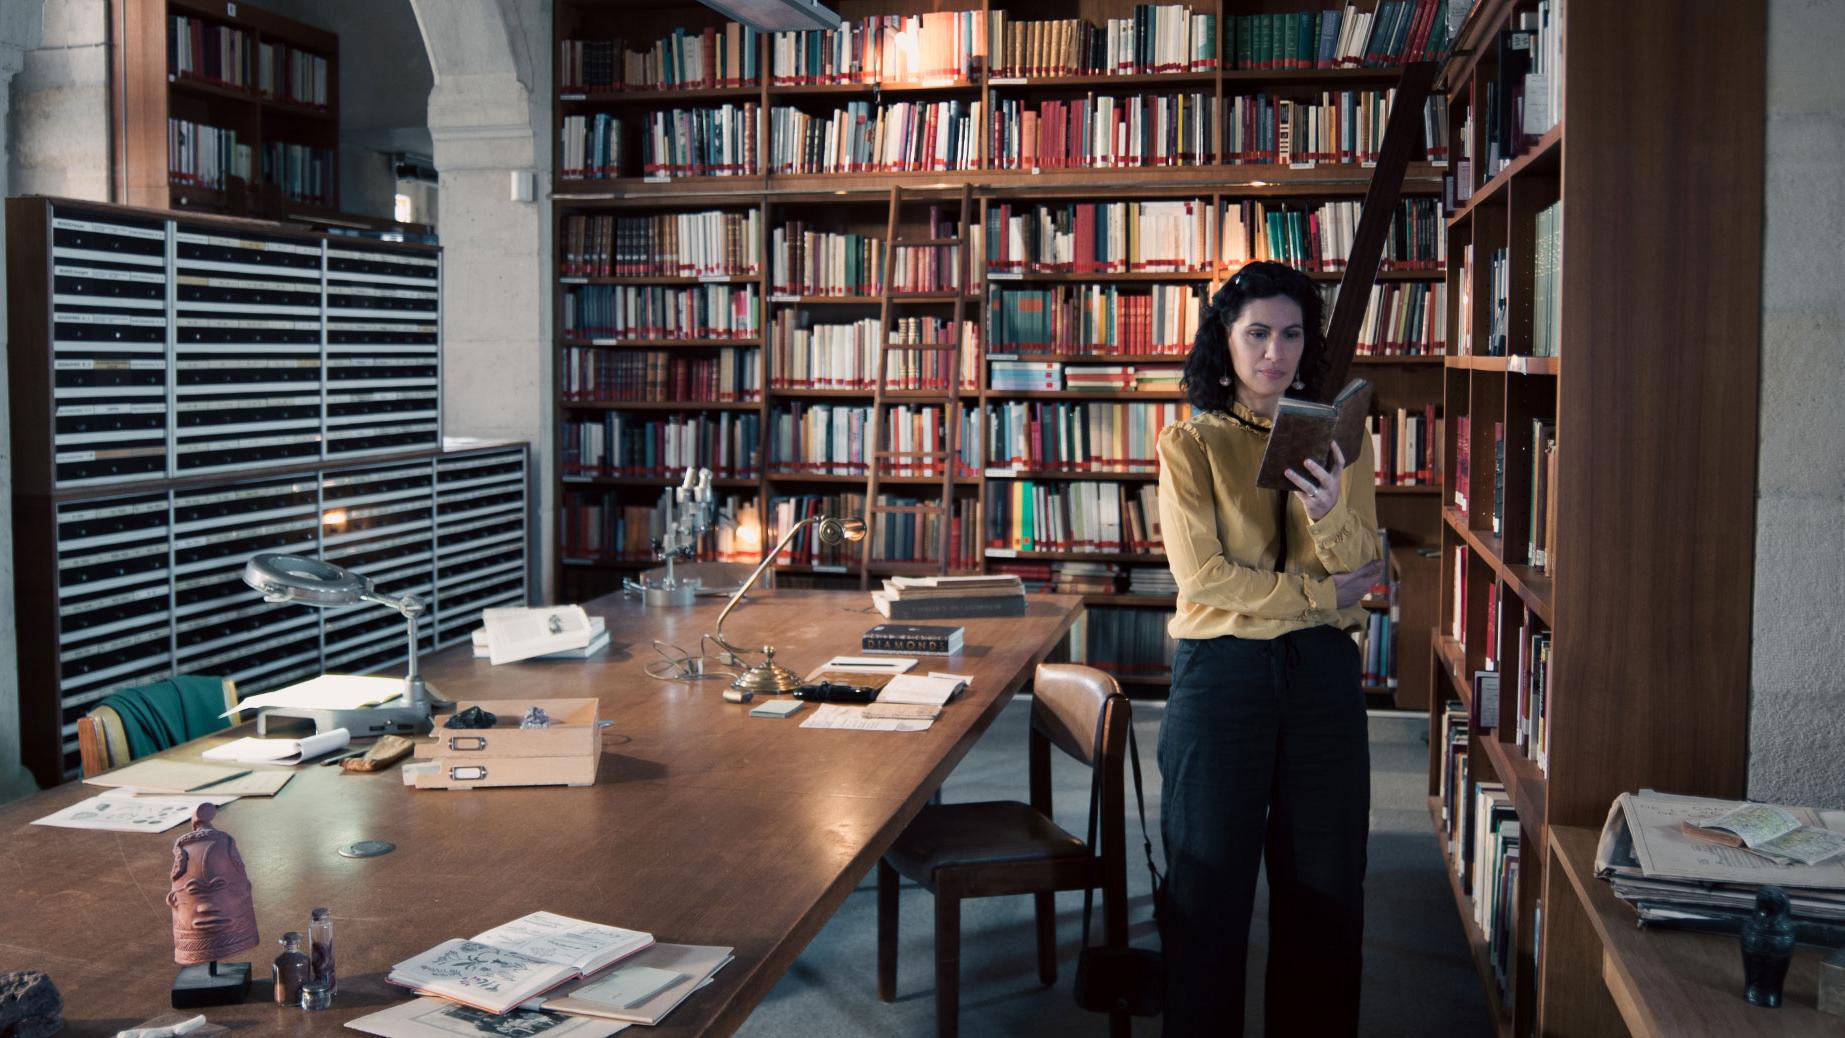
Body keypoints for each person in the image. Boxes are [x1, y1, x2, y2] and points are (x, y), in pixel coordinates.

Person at [1155, 261, 1384, 1035]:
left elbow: (1363, 564)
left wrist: (1326, 511)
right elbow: (1207, 578)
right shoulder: (1189, 442)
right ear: (1225, 339)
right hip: (1221, 676)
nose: (1273, 353)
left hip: (1320, 676)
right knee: (1206, 888)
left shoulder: (1343, 438)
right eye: (1256, 333)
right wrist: (1321, 595)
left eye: (1290, 334)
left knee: (1325, 890)